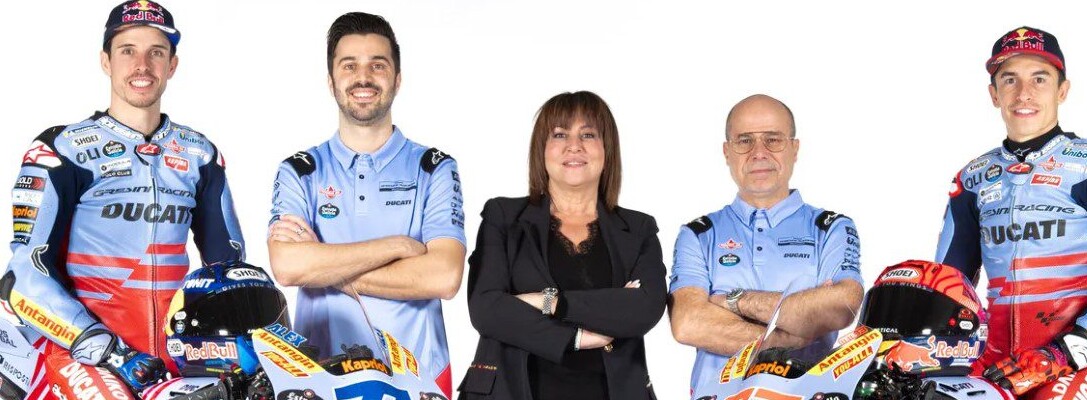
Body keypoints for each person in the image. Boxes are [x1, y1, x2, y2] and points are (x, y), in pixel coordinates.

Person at [0, 1, 244, 397]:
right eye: (127, 51)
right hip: (81, 351)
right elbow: (23, 277)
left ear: (172, 65)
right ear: (106, 61)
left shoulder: (200, 154)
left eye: (156, 52)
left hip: (172, 358)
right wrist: (109, 350)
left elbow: (229, 271)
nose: (142, 65)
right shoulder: (61, 149)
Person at [936, 26, 1087, 398]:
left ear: (1062, 90)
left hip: (1084, 352)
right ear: (994, 94)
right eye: (1009, 80)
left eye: (1039, 79)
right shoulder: (971, 179)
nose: (1023, 93)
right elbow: (945, 287)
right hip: (997, 359)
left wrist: (1062, 353)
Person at [267, 12, 465, 398]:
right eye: (349, 65)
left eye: (378, 65)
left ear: (397, 78)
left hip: (418, 379)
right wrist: (397, 246)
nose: (363, 77)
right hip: (319, 380)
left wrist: (327, 269)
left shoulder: (435, 168)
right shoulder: (300, 171)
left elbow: (443, 276)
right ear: (331, 81)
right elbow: (288, 267)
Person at [460, 91, 666, 400]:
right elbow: (486, 309)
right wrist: (577, 337)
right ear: (541, 150)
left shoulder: (638, 228)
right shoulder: (503, 217)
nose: (574, 145)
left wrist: (550, 302)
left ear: (607, 149)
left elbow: (644, 308)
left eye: (588, 134)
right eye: (559, 134)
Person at [668, 94, 864, 398]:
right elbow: (688, 323)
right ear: (727, 152)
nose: (759, 153)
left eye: (773, 140)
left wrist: (734, 301)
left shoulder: (831, 228)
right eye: (744, 141)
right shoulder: (698, 234)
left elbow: (841, 306)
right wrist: (791, 334)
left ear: (794, 148)